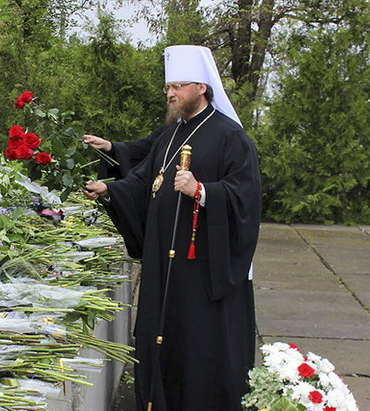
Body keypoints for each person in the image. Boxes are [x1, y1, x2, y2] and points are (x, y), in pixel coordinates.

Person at [82, 45, 261, 411]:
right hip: (165, 265)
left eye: (178, 86)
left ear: (202, 87)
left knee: (196, 345)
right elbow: (145, 178)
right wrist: (110, 189)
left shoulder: (230, 137)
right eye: (168, 87)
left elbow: (246, 197)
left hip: (202, 271)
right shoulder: (170, 134)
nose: (170, 94)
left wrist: (202, 190)